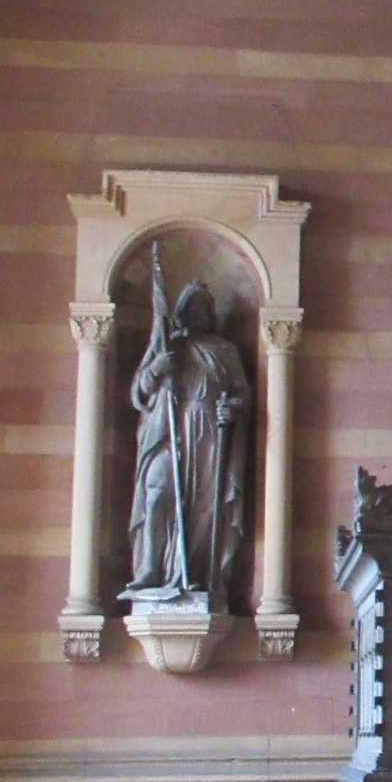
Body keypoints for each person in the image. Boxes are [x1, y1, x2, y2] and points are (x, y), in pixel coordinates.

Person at [124, 246, 250, 602]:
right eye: (190, 306)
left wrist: (232, 408)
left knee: (204, 513)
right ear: (180, 311)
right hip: (170, 431)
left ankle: (197, 575)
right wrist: (156, 369)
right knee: (157, 490)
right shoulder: (168, 348)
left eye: (202, 307)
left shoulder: (224, 351)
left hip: (209, 436)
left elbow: (242, 392)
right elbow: (139, 392)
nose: (196, 313)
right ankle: (151, 569)